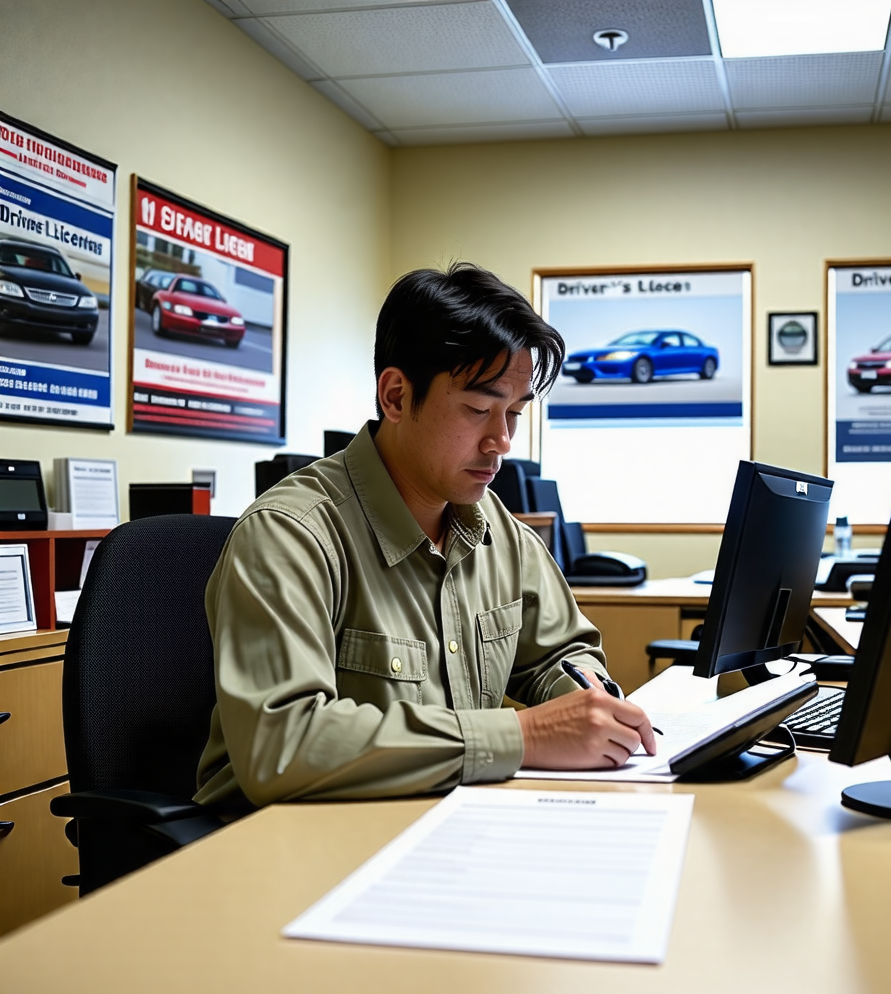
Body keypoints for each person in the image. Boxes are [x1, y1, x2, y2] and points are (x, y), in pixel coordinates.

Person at [195, 263, 655, 810]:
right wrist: (526, 736)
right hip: (286, 848)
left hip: (438, 828)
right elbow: (284, 744)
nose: (501, 441)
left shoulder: (498, 532)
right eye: (480, 409)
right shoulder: (291, 535)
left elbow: (562, 653)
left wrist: (588, 704)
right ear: (395, 396)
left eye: (514, 413)